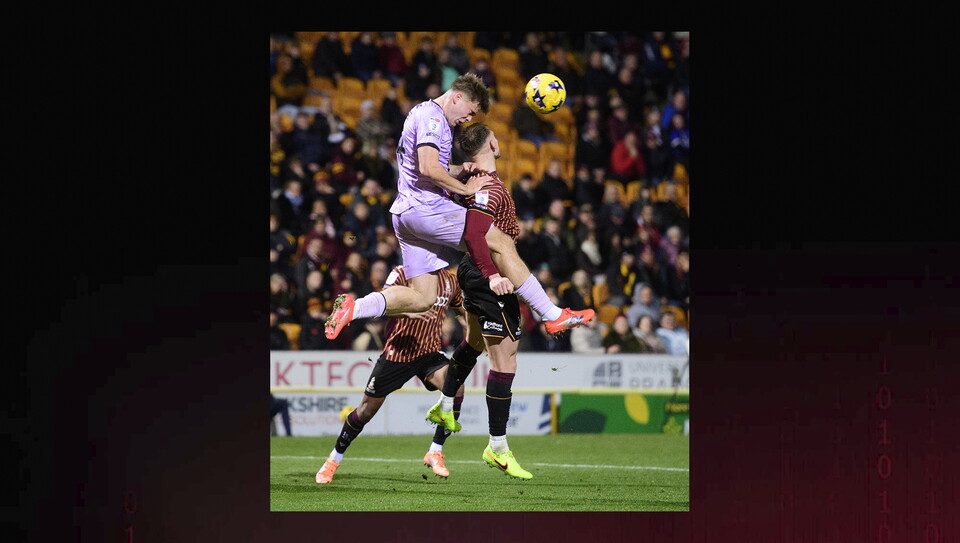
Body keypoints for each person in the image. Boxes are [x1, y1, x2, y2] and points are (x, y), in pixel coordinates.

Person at [325, 74, 593, 341]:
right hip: (425, 208)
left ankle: (353, 308)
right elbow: (428, 168)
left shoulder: (422, 111)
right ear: (458, 97)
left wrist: (460, 169)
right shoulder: (434, 118)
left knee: (422, 297)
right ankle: (551, 314)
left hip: (406, 214)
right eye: (471, 111)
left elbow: (427, 165)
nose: (468, 119)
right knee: (499, 242)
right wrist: (466, 188)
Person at [428, 122, 571, 480]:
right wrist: (493, 274)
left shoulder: (477, 182)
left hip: (471, 271)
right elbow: (476, 233)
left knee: (474, 343)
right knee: (505, 358)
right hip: (485, 272)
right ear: (491, 143)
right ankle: (498, 447)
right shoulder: (488, 189)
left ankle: (445, 408)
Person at [315, 265, 478, 483]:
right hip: (397, 354)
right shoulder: (403, 272)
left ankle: (435, 451)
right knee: (365, 411)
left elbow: (461, 311)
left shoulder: (450, 282)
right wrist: (407, 311)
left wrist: (475, 331)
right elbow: (382, 302)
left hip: (429, 353)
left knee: (457, 385)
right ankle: (333, 460)